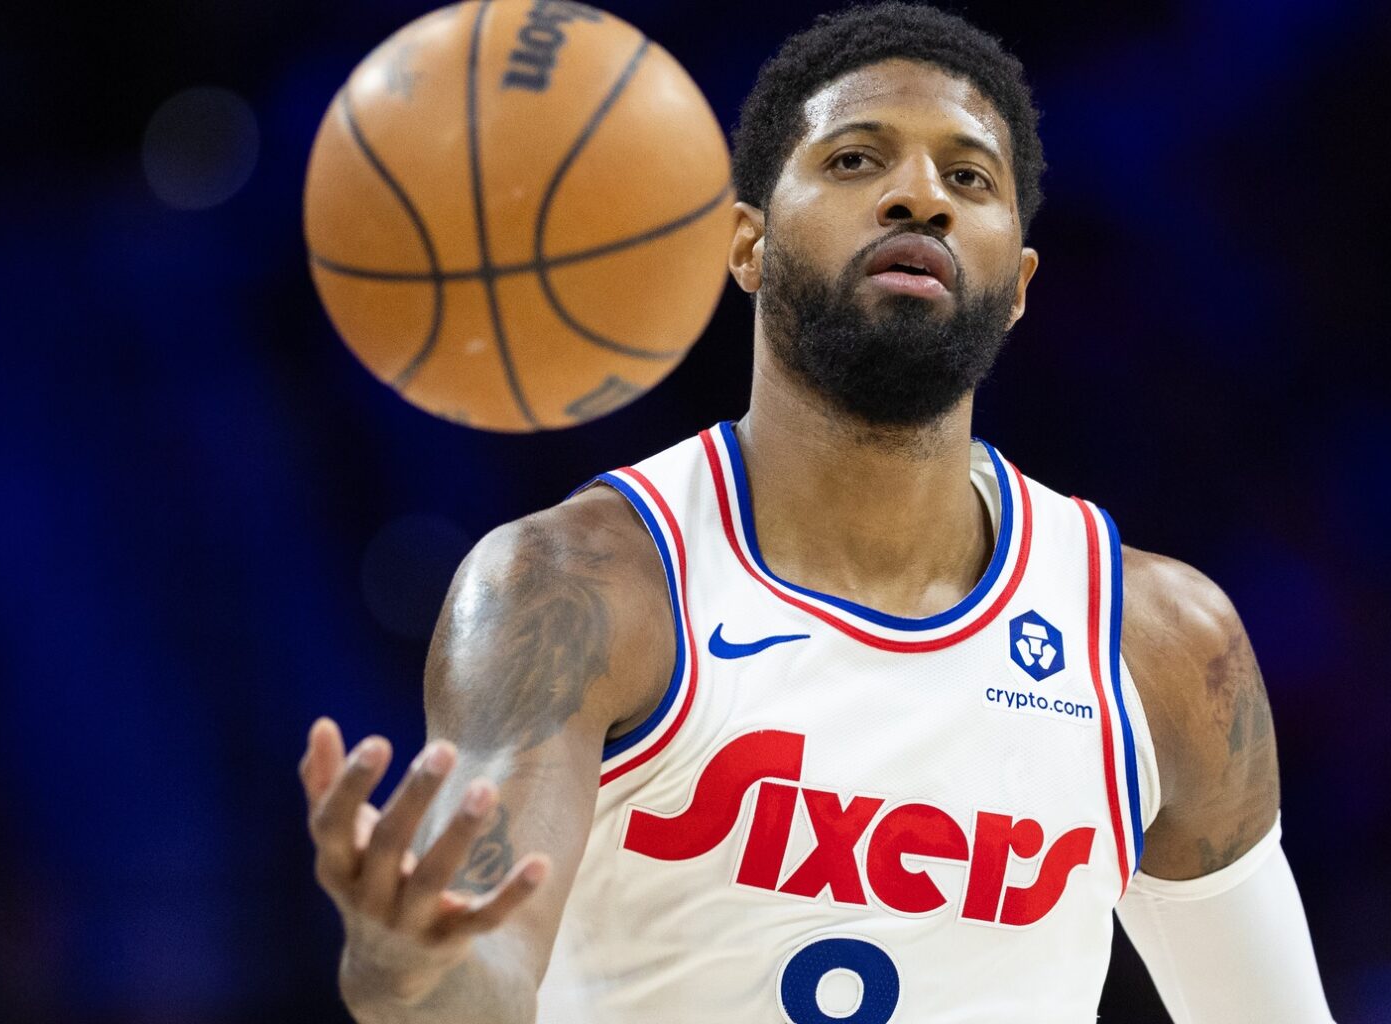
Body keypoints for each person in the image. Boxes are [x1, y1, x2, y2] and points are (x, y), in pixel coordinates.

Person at [298, 4, 1337, 1021]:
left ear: (1018, 283)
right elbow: (480, 969)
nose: (920, 197)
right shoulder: (578, 589)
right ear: (746, 245)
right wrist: (407, 968)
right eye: (855, 160)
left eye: (968, 176)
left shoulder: (1160, 648)